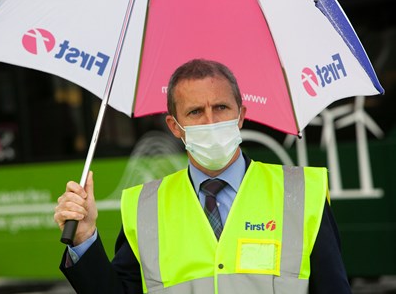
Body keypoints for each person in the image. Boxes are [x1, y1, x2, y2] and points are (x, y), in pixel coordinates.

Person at [54, 59, 352, 293]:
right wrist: (83, 238)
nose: (210, 121)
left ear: (241, 115)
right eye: (195, 112)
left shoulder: (301, 195)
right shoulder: (145, 208)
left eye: (221, 107)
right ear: (174, 126)